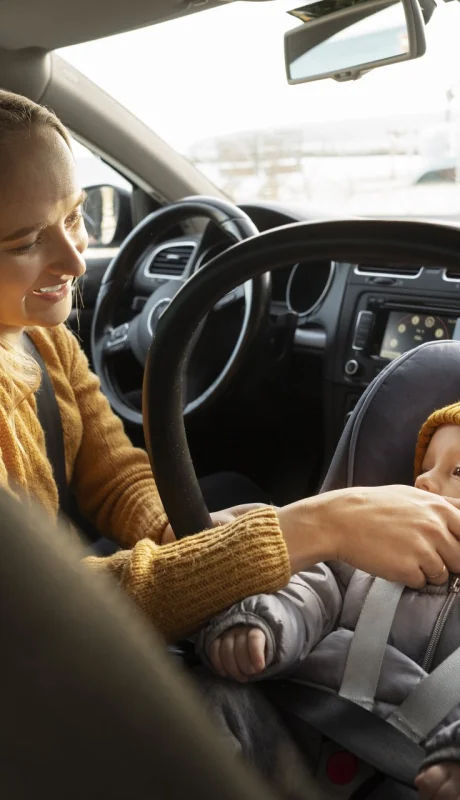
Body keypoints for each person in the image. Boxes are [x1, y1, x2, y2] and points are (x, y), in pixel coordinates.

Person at [2, 89, 460, 647]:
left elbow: (116, 477)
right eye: (25, 241)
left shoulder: (43, 340)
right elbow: (38, 616)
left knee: (231, 490)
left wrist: (187, 539)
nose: (75, 260)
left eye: (75, 216)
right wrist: (323, 525)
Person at [196, 402, 460, 800]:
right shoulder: (373, 554)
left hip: (416, 772)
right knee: (214, 697)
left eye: (456, 471)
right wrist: (262, 621)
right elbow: (312, 585)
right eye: (426, 465)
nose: (423, 480)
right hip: (297, 726)